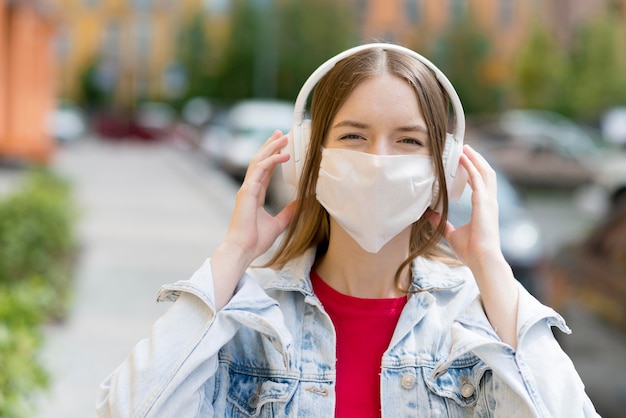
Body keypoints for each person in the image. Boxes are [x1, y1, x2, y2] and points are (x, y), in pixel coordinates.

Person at [96, 43, 599, 417]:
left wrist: (492, 270)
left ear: (443, 168)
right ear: (313, 156)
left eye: (407, 140)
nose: (378, 160)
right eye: (354, 136)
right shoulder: (249, 320)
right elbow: (128, 409)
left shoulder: (474, 325)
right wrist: (232, 255)